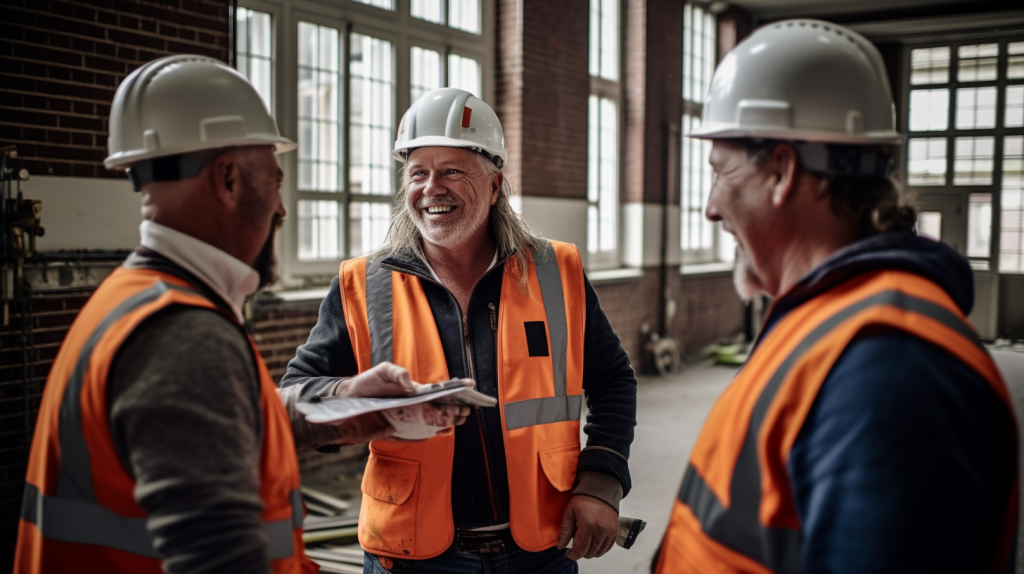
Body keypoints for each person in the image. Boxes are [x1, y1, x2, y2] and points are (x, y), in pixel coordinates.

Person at [14, 55, 468, 574]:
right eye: (274, 182)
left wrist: (346, 403)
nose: (281, 210)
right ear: (229, 178)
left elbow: (212, 427)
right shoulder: (186, 336)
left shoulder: (132, 300)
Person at [654, 20, 1018, 574]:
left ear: (781, 169)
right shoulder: (829, 324)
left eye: (719, 171)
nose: (709, 207)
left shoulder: (889, 370)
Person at [281, 87, 638, 574]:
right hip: (411, 555)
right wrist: (350, 394)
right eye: (418, 173)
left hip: (539, 550)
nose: (432, 188)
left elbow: (613, 380)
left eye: (452, 170)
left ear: (495, 186)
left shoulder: (557, 272)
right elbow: (296, 397)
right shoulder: (364, 285)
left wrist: (601, 483)